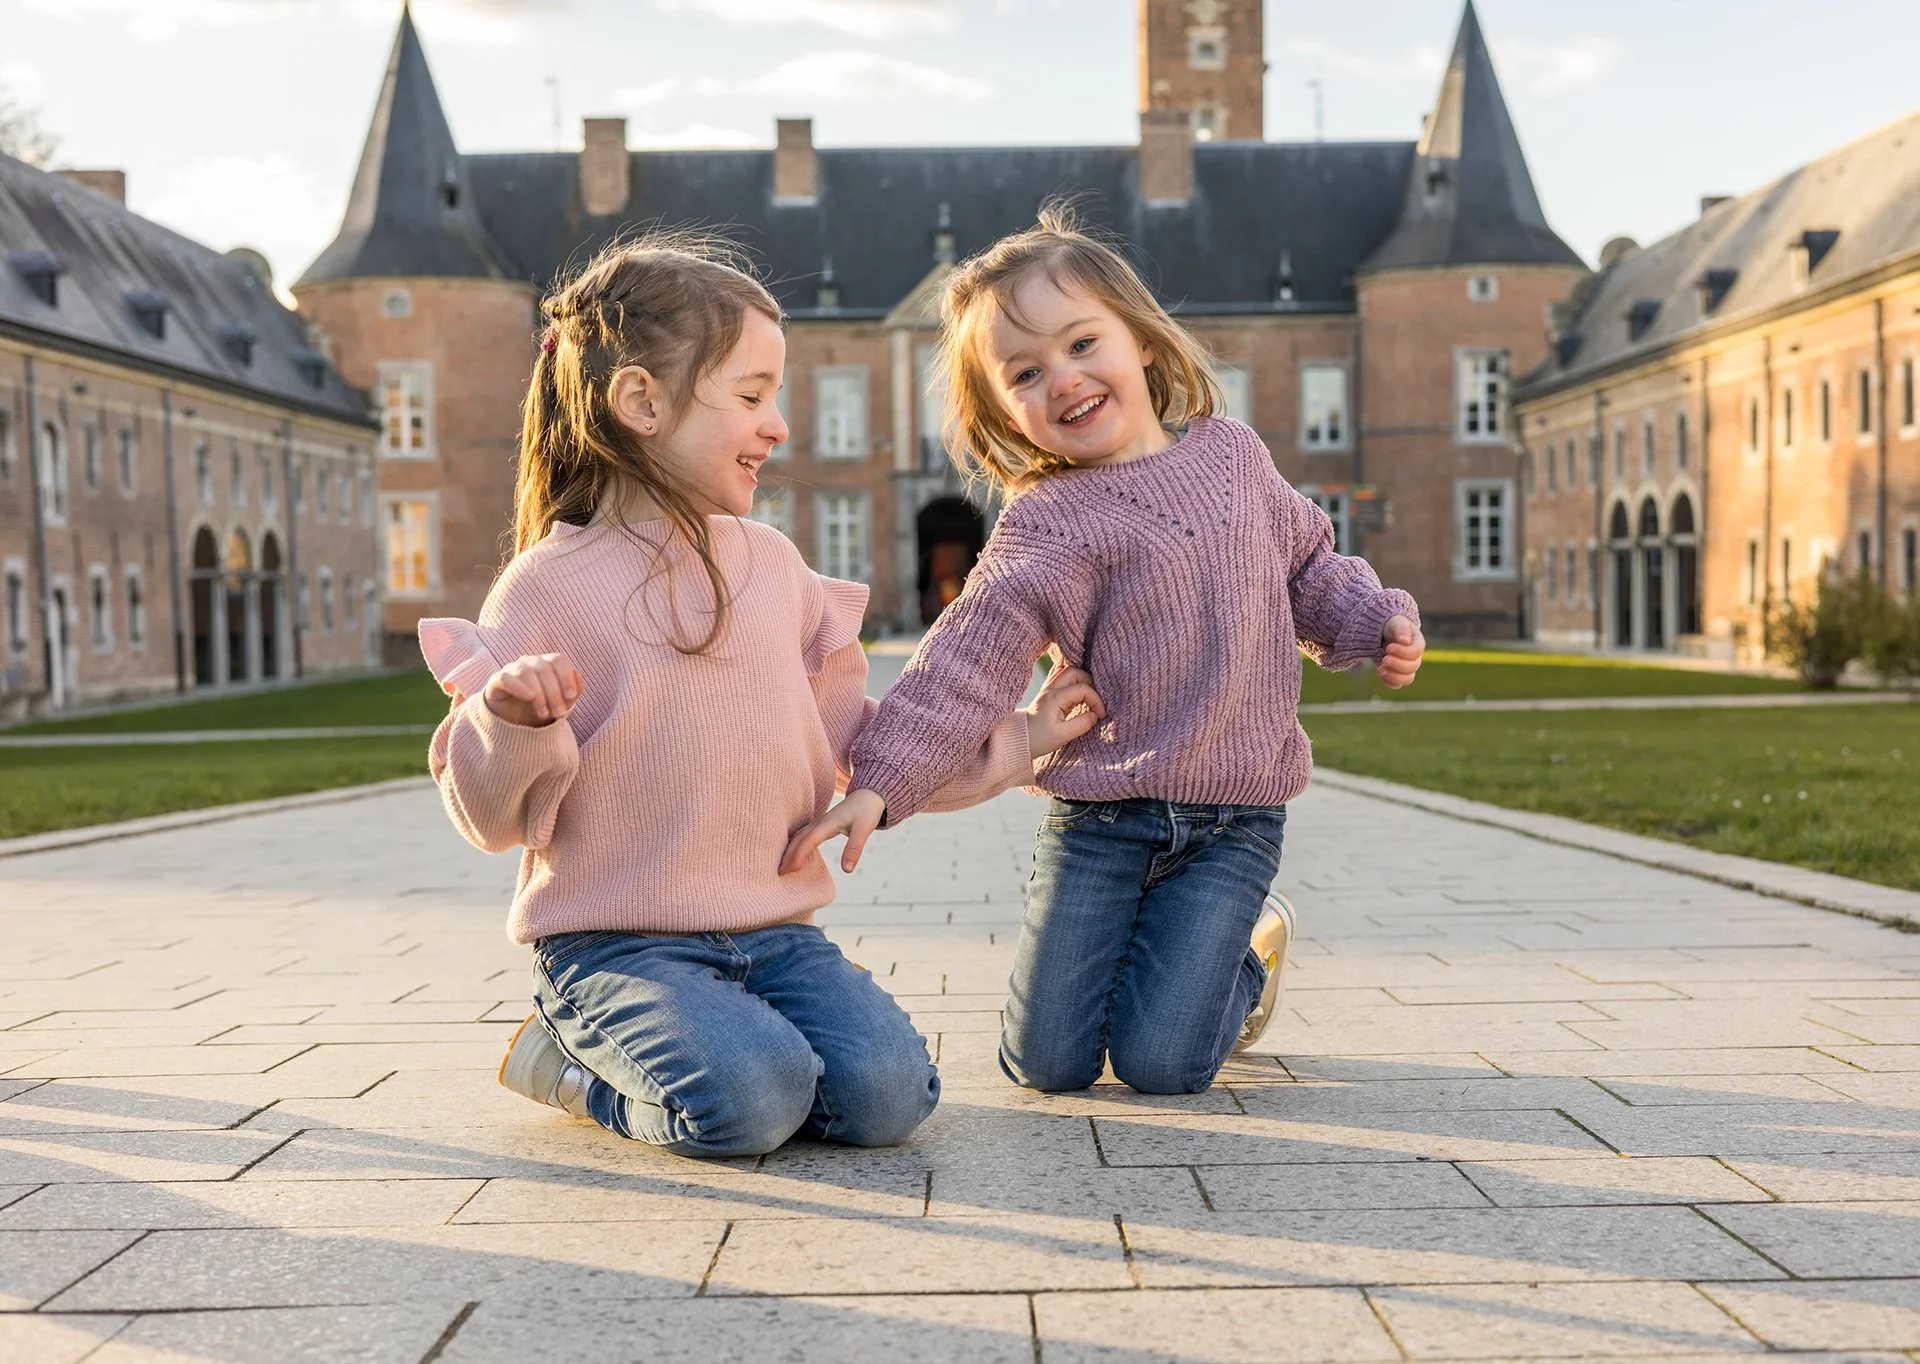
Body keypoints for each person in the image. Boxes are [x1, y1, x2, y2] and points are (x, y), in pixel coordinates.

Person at [418, 233, 1104, 1157]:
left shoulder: (776, 571)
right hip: (618, 947)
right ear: (641, 403)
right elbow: (494, 821)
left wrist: (1022, 740)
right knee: (747, 1104)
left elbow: (867, 747)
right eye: (750, 397)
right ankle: (571, 1062)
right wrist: (509, 722)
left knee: (891, 1097)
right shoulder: (545, 588)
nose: (777, 424)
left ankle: (738, 1044)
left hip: (773, 938)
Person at [783, 205, 1424, 1095]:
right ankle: (1165, 974)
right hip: (1100, 821)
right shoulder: (1042, 521)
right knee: (1046, 1065)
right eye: (1027, 372)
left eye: (1084, 344)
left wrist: (1374, 623)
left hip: (1232, 821)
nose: (1065, 379)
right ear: (1002, 410)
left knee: (1164, 1066)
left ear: (1145, 343)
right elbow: (965, 663)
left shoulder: (1235, 458)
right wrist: (879, 784)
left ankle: (1241, 963)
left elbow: (1308, 565)